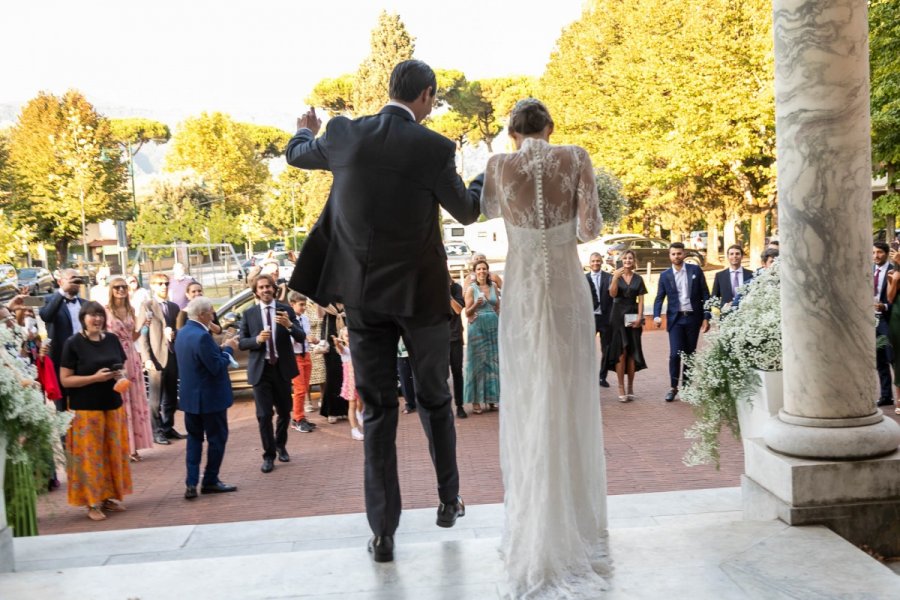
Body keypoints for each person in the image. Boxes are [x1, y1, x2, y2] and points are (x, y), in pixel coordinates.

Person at [286, 59, 482, 562]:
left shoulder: (344, 134)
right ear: (427, 96)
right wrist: (483, 179)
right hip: (419, 297)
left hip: (362, 298)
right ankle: (446, 499)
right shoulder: (435, 148)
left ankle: (383, 534)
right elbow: (466, 209)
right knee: (436, 397)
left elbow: (297, 155)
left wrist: (301, 130)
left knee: (377, 411)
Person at [481, 98, 610, 596]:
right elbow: (591, 229)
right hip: (567, 290)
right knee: (571, 395)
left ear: (512, 131)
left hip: (523, 289)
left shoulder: (497, 165)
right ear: (551, 127)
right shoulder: (575, 157)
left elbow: (490, 209)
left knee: (531, 396)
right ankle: (576, 522)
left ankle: (535, 518)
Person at [58, 301, 132, 522]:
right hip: (85, 410)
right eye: (92, 316)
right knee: (90, 457)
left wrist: (120, 375)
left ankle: (108, 496)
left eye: (99, 315)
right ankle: (92, 502)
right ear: (83, 319)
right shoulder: (73, 344)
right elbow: (65, 380)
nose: (97, 319)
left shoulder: (111, 339)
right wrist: (94, 378)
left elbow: (123, 365)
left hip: (112, 405)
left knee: (112, 454)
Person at [238, 274, 305, 473]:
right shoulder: (249, 314)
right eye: (261, 287)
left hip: (282, 369)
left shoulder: (285, 310)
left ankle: (280, 445)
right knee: (264, 415)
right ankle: (268, 455)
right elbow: (242, 342)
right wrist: (256, 339)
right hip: (261, 369)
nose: (265, 290)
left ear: (274, 289)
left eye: (268, 286)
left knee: (285, 411)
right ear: (256, 292)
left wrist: (289, 325)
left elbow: (301, 337)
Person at [175, 297, 240, 499]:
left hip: (190, 398)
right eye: (211, 312)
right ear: (203, 315)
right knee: (216, 440)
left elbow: (201, 359)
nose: (213, 316)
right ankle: (210, 480)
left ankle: (191, 482)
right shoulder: (202, 336)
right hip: (210, 399)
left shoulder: (183, 333)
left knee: (194, 440)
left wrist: (218, 351)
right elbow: (215, 366)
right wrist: (228, 348)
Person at [653, 242, 710, 402]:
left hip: (693, 318)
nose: (676, 256)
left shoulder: (695, 271)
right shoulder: (665, 275)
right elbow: (659, 298)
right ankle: (673, 387)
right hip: (675, 319)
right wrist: (657, 315)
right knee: (675, 354)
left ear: (684, 254)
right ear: (669, 256)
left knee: (690, 354)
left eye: (679, 253)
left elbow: (705, 294)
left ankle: (686, 387)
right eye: (673, 254)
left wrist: (706, 316)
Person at [105, 276, 154, 462]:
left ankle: (134, 447)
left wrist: (144, 328)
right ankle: (122, 446)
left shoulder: (131, 309)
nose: (121, 290)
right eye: (117, 287)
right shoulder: (106, 311)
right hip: (115, 357)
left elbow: (133, 336)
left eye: (124, 287)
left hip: (131, 356)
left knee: (135, 401)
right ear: (111, 290)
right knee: (121, 400)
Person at [137, 272, 184, 444]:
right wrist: (147, 357)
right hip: (156, 357)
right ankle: (156, 431)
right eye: (159, 284)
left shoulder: (173, 307)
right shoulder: (147, 306)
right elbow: (142, 333)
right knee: (155, 398)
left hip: (172, 355)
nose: (164, 286)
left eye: (166, 283)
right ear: (152, 286)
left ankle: (167, 427)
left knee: (171, 396)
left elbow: (180, 329)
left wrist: (175, 333)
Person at [39, 268, 86, 412]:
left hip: (83, 359)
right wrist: (62, 292)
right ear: (60, 282)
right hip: (60, 360)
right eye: (72, 279)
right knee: (62, 408)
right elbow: (46, 316)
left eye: (77, 280)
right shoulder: (49, 301)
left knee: (82, 404)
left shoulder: (86, 304)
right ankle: (64, 435)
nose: (75, 283)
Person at [606, 250, 648, 401]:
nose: (628, 261)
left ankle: (630, 386)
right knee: (621, 352)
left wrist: (640, 317)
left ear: (634, 261)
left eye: (630, 258)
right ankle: (620, 387)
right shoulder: (615, 275)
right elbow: (612, 294)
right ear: (621, 260)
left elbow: (641, 300)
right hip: (617, 316)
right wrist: (615, 278)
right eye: (625, 258)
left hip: (632, 315)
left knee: (632, 352)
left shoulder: (639, 279)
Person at [463, 259, 500, 414]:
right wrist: (476, 305)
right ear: (475, 271)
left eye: (484, 269)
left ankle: (492, 400)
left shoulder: (493, 287)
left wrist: (497, 320)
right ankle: (476, 402)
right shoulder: (471, 289)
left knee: (492, 363)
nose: (482, 271)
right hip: (477, 328)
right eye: (479, 269)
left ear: (487, 271)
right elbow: (467, 312)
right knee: (477, 364)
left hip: (493, 327)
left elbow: (497, 306)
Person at [287, 292, 316, 433]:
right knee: (299, 389)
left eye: (305, 304)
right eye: (301, 305)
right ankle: (297, 419)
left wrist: (312, 340)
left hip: (306, 354)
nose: (304, 307)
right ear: (292, 304)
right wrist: (306, 338)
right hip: (295, 356)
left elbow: (308, 334)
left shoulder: (304, 318)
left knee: (304, 388)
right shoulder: (288, 321)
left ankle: (300, 416)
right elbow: (290, 340)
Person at [586, 252, 613, 387]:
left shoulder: (609, 278)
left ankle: (602, 377)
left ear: (602, 262)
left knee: (606, 349)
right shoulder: (583, 279)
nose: (595, 263)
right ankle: (588, 376)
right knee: (587, 349)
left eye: (598, 261)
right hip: (590, 319)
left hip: (605, 319)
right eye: (593, 261)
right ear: (589, 263)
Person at [318, 303, 348, 423]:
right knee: (331, 377)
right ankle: (331, 411)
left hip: (346, 341)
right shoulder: (326, 302)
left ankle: (345, 410)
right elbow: (320, 315)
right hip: (330, 342)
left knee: (345, 376)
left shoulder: (346, 299)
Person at [334, 327, 364, 440]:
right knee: (352, 404)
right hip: (351, 381)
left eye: (351, 335)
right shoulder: (345, 350)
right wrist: (337, 343)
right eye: (346, 336)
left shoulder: (358, 346)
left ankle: (359, 413)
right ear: (342, 338)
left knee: (361, 401)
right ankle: (354, 430)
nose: (349, 338)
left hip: (361, 378)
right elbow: (340, 349)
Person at [874, 242, 894, 406]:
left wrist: (885, 306)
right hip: (871, 320)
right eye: (873, 252)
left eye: (879, 252)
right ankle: (886, 396)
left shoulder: (894, 271)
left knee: (892, 357)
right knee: (879, 360)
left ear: (886, 253)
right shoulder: (869, 271)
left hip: (888, 320)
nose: (876, 256)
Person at [885, 248, 900, 415]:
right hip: (897, 315)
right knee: (898, 359)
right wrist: (895, 281)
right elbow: (889, 298)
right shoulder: (892, 272)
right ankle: (899, 400)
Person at [449, 277, 466, 418]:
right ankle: (444, 409)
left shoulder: (456, 288)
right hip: (438, 339)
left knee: (457, 372)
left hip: (454, 337)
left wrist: (445, 292)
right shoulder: (430, 287)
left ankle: (459, 405)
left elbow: (458, 310)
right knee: (441, 375)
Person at [397, 337, 417, 414]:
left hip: (416, 350)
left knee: (418, 378)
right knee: (404, 379)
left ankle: (422, 402)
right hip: (400, 353)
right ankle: (410, 405)